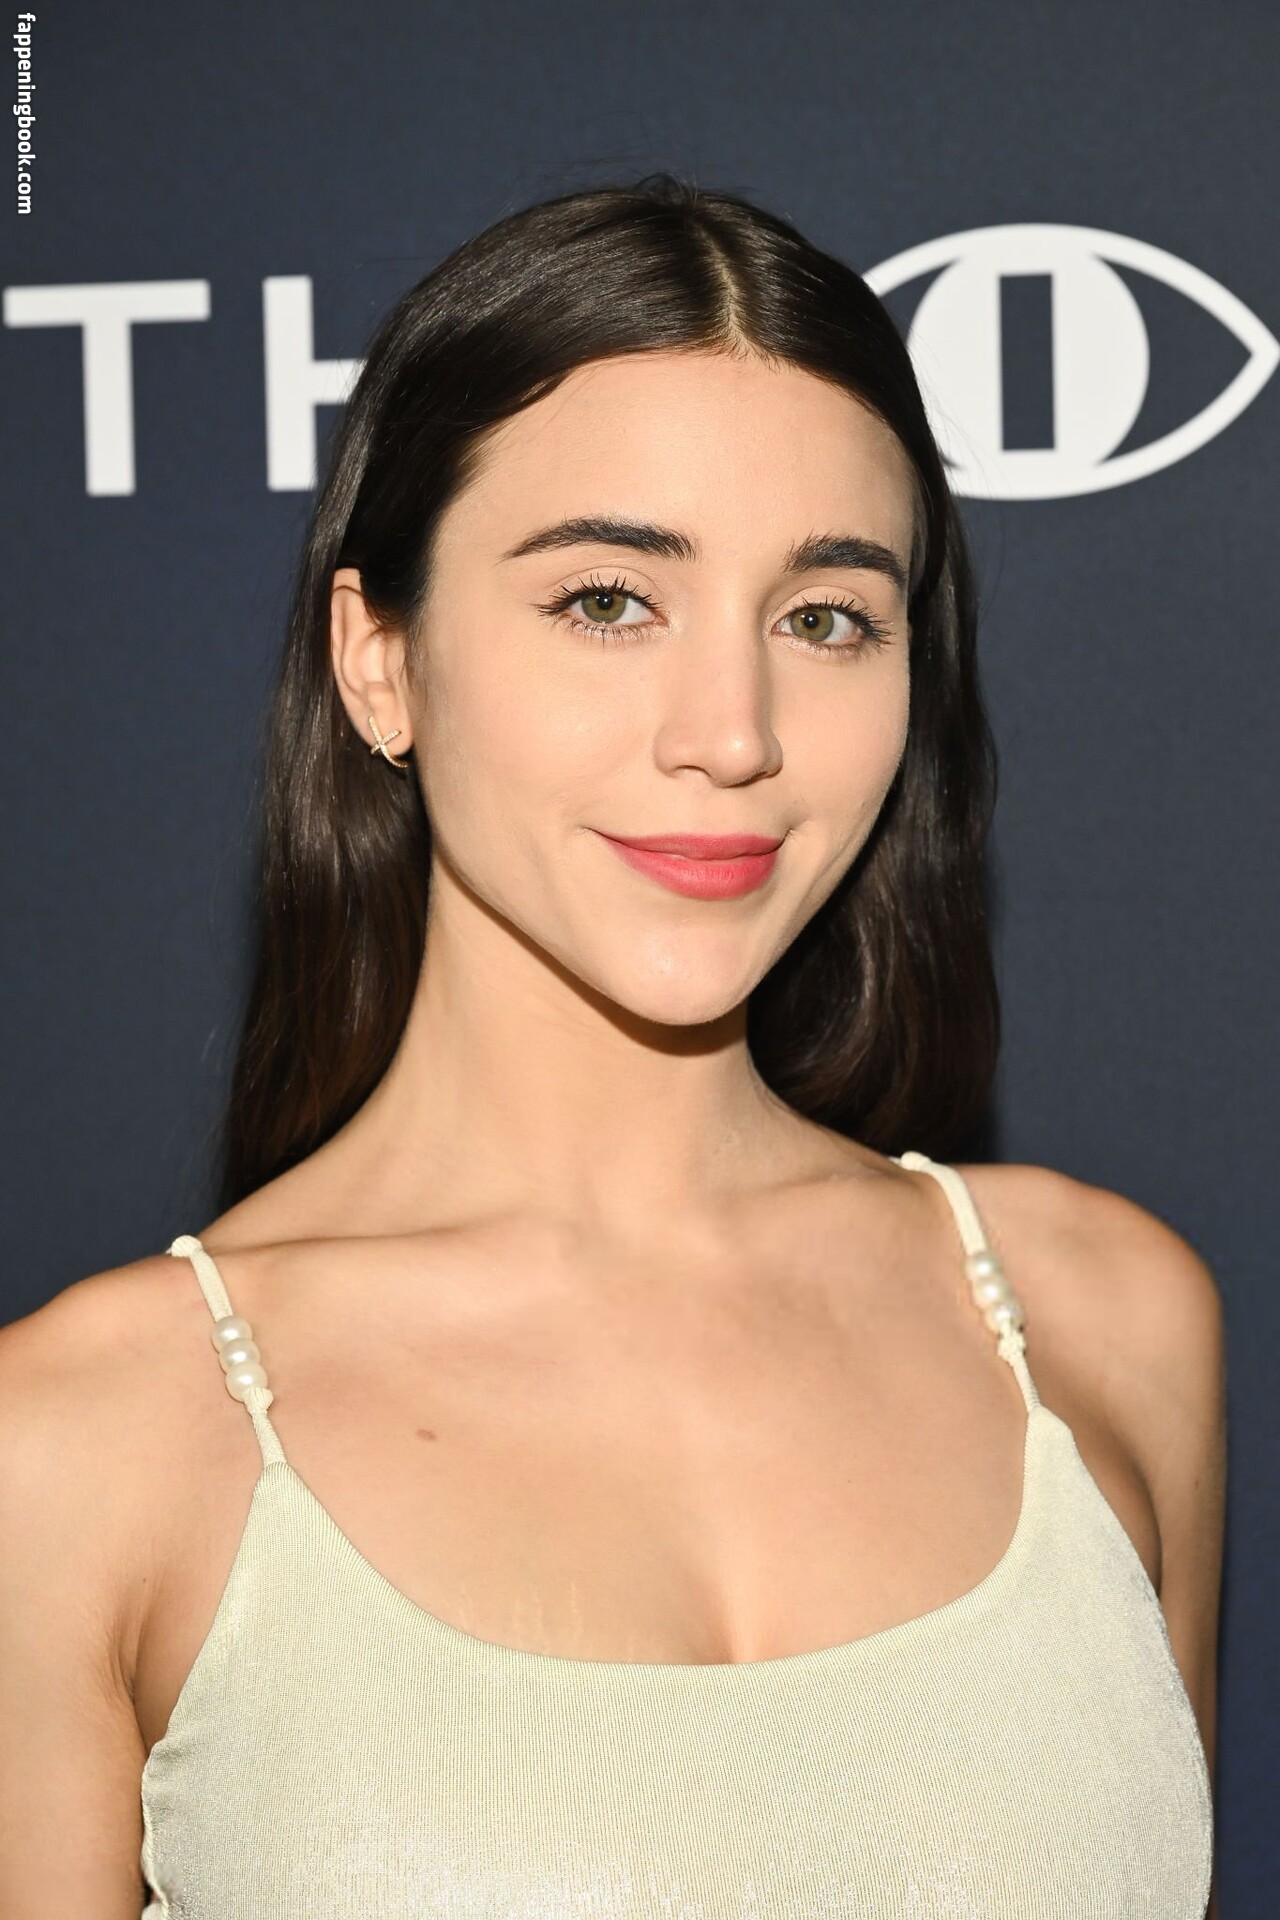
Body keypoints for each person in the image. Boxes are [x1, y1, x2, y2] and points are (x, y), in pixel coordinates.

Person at [0, 175, 1224, 1919]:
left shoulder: (1107, 1323)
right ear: (379, 659)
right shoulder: (79, 1446)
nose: (733, 734)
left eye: (825, 617)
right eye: (606, 601)